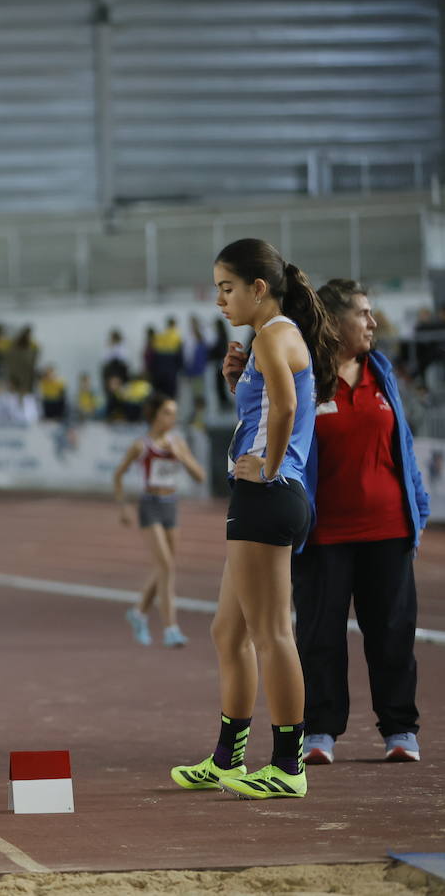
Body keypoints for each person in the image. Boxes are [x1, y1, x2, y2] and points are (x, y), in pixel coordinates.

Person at [171, 238, 339, 800]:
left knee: (271, 633)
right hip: (263, 497)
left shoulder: (273, 333)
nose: (220, 300)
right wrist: (233, 382)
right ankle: (227, 759)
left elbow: (289, 408)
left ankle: (289, 766)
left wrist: (267, 469)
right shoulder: (269, 339)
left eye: (226, 288)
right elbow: (270, 405)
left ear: (257, 289)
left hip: (270, 496)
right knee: (229, 631)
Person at [293, 279, 430, 765]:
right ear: (334, 322)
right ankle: (320, 732)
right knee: (319, 636)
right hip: (324, 534)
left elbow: (405, 447)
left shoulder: (381, 372)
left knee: (393, 633)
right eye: (365, 314)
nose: (374, 323)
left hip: (388, 531)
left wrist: (419, 508)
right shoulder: (304, 377)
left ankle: (399, 730)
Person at [113, 394, 205, 648]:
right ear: (154, 415)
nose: (172, 418)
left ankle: (138, 612)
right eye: (167, 412)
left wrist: (182, 456)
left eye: (174, 413)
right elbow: (118, 476)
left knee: (165, 568)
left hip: (171, 506)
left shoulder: (178, 443)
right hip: (150, 506)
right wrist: (122, 507)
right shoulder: (141, 445)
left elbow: (200, 477)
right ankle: (171, 628)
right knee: (166, 566)